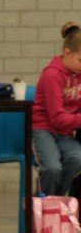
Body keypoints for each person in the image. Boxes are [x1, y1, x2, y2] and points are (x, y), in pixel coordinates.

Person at [31, 22, 81, 196]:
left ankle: (56, 200)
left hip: (65, 132)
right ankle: (44, 200)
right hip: (45, 130)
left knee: (77, 159)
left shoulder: (78, 75)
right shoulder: (52, 75)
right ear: (67, 53)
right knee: (53, 168)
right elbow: (57, 119)